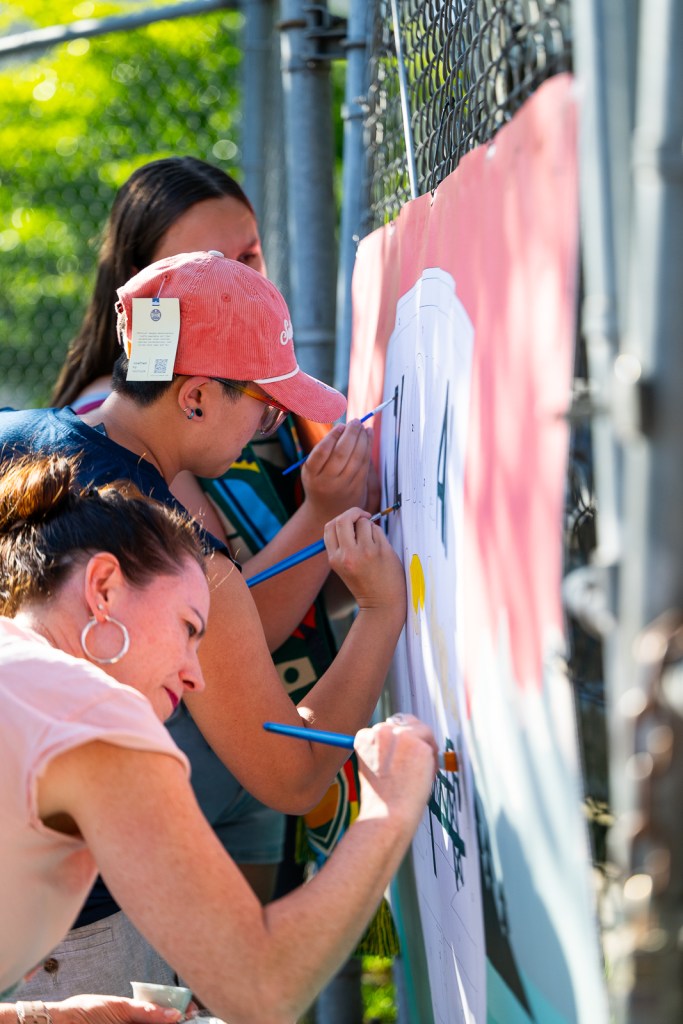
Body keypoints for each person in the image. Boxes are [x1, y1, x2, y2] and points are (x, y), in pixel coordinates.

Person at [1, 250, 404, 997]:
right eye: (266, 403)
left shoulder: (13, 439)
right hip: (76, 945)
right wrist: (381, 612)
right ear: (194, 397)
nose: (269, 424)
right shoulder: (175, 560)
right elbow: (293, 772)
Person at [0, 452, 438, 1023]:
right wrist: (389, 810)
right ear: (103, 588)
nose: (195, 675)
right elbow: (260, 989)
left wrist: (41, 1017)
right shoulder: (92, 709)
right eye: (188, 628)